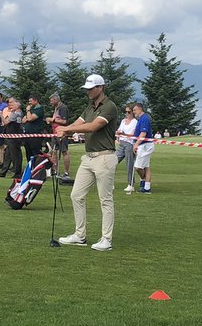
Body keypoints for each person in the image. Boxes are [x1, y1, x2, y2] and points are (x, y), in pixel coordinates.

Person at [55, 74, 120, 251]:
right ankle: (80, 235)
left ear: (101, 88)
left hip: (105, 157)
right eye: (87, 89)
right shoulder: (90, 107)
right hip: (89, 158)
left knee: (105, 199)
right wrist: (65, 131)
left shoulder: (109, 106)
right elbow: (79, 123)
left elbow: (92, 127)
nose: (88, 92)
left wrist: (66, 129)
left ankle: (106, 239)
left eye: (91, 89)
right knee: (76, 195)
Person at [0, 97, 25, 177]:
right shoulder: (15, 112)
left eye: (11, 103)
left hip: (14, 138)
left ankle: (18, 173)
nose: (9, 104)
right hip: (11, 137)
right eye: (9, 103)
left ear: (17, 104)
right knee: (7, 155)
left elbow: (5, 122)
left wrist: (1, 114)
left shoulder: (16, 113)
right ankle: (3, 172)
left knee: (15, 155)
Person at [132, 102, 155, 193]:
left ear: (140, 109)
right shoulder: (141, 119)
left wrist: (136, 144)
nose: (134, 112)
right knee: (146, 166)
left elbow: (143, 133)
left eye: (134, 110)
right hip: (144, 145)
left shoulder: (144, 119)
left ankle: (144, 180)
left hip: (145, 145)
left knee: (138, 167)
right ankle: (146, 187)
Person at [46, 93, 70, 177]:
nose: (51, 103)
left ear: (56, 100)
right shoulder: (56, 108)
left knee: (64, 151)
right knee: (54, 151)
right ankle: (55, 171)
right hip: (54, 132)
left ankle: (66, 172)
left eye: (51, 101)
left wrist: (52, 119)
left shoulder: (63, 108)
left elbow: (64, 121)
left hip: (62, 133)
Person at [115, 105, 137, 193]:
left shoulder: (135, 122)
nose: (127, 114)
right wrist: (119, 133)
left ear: (132, 113)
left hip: (129, 144)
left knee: (129, 164)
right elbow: (119, 130)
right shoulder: (123, 121)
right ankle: (109, 182)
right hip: (121, 143)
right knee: (113, 161)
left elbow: (133, 134)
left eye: (129, 112)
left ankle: (131, 184)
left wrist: (123, 133)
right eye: (126, 112)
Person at [22, 94, 46, 162]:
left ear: (36, 101)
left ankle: (37, 168)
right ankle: (30, 168)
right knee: (28, 153)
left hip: (35, 134)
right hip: (27, 135)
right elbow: (23, 120)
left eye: (31, 101)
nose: (29, 103)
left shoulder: (39, 109)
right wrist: (28, 115)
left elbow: (30, 119)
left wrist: (28, 111)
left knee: (36, 153)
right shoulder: (32, 109)